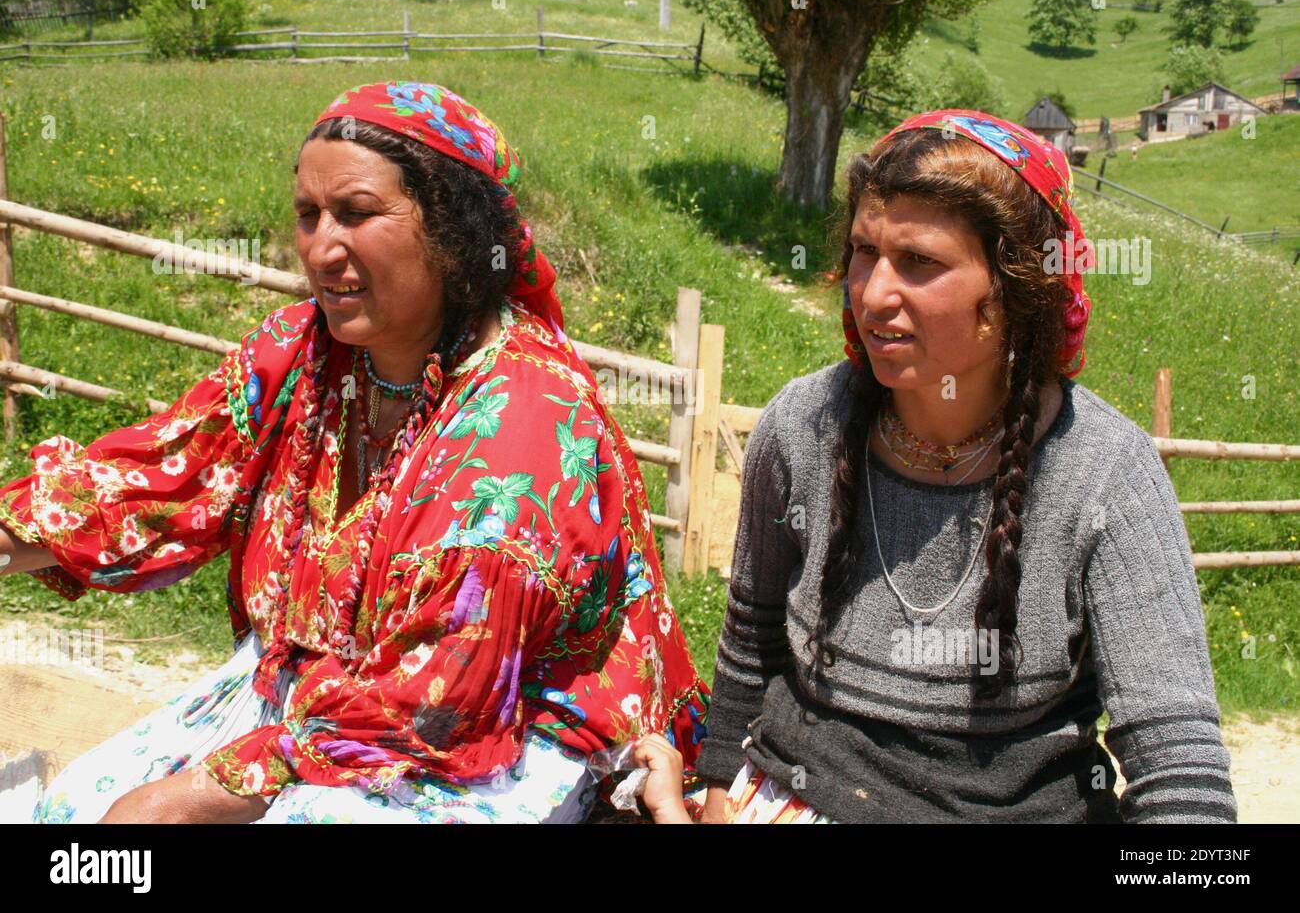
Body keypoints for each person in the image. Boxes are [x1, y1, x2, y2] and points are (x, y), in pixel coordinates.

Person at [0, 81, 709, 824]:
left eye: (358, 214)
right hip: (309, 691)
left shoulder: (526, 414)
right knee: (77, 807)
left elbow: (439, 700)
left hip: (492, 732)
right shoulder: (300, 353)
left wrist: (188, 799)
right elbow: (165, 478)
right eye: (308, 215)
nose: (322, 248)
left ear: (453, 231)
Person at [648, 109, 1236, 824]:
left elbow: (1177, 762)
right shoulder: (803, 427)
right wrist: (717, 794)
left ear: (1017, 285)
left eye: (920, 262)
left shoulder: (1104, 472)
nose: (872, 294)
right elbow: (752, 639)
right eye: (865, 251)